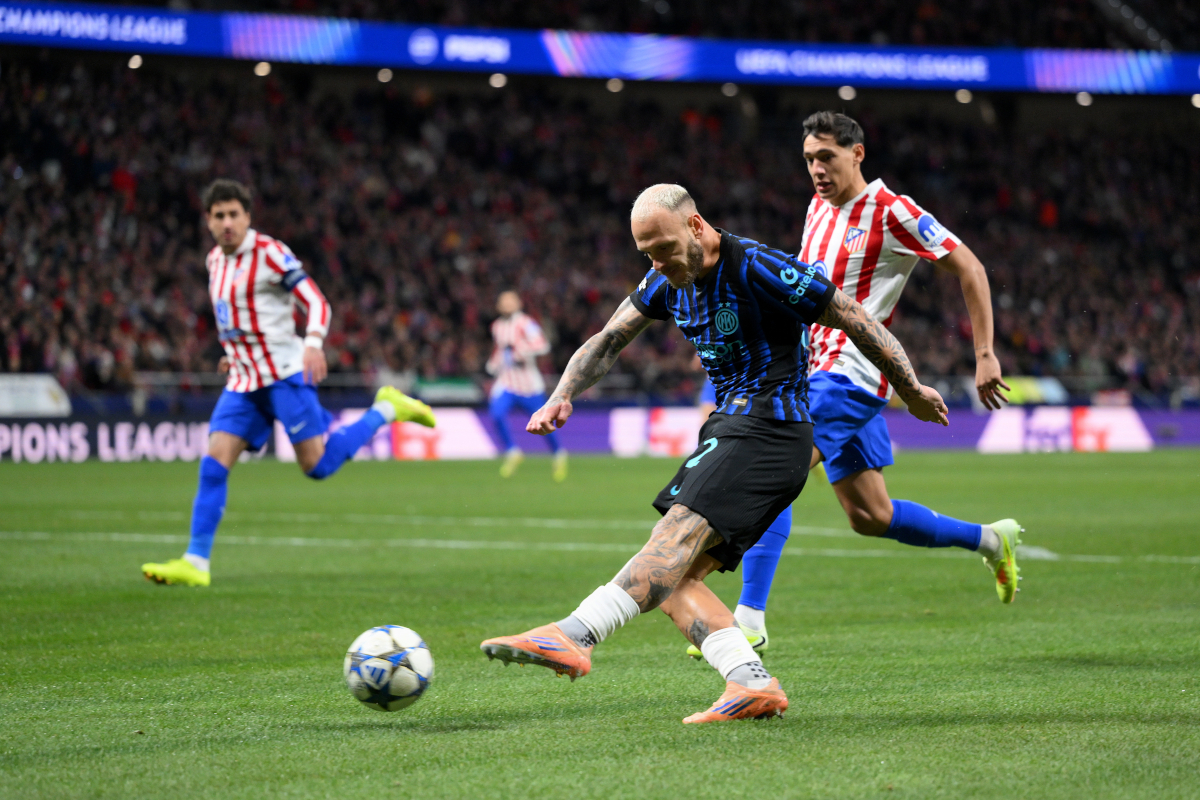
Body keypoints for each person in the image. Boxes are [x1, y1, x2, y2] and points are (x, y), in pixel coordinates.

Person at [480, 184, 949, 723]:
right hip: (737, 426)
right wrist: (562, 393)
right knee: (677, 579)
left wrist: (909, 388)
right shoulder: (664, 280)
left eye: (663, 247)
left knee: (671, 538)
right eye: (646, 252)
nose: (656, 262)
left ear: (696, 225)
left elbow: (854, 316)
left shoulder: (758, 267)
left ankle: (574, 633)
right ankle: (750, 682)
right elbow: (608, 339)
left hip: (769, 426)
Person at [693, 112, 1022, 654]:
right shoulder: (816, 208)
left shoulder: (893, 211)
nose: (816, 170)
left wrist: (984, 353)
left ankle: (748, 617)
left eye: (826, 158)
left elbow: (970, 267)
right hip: (806, 366)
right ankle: (992, 539)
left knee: (774, 467)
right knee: (871, 515)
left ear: (858, 154)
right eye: (808, 160)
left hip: (851, 372)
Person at [141, 179, 436, 587]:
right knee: (214, 463)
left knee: (316, 466)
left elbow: (315, 301)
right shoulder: (214, 261)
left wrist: (313, 344)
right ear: (208, 221)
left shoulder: (269, 253)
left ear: (247, 217)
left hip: (284, 374)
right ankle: (196, 562)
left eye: (234, 214)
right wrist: (235, 354)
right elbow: (238, 317)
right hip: (244, 380)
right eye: (219, 215)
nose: (227, 222)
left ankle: (387, 408)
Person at [486, 290, 568, 481]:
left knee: (543, 423)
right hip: (506, 382)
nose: (506, 305)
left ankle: (558, 454)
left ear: (518, 304)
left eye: (510, 301)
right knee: (496, 413)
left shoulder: (525, 323)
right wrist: (493, 363)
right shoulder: (497, 326)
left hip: (529, 385)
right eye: (503, 301)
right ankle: (513, 452)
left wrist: (521, 351)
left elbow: (542, 345)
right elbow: (499, 349)